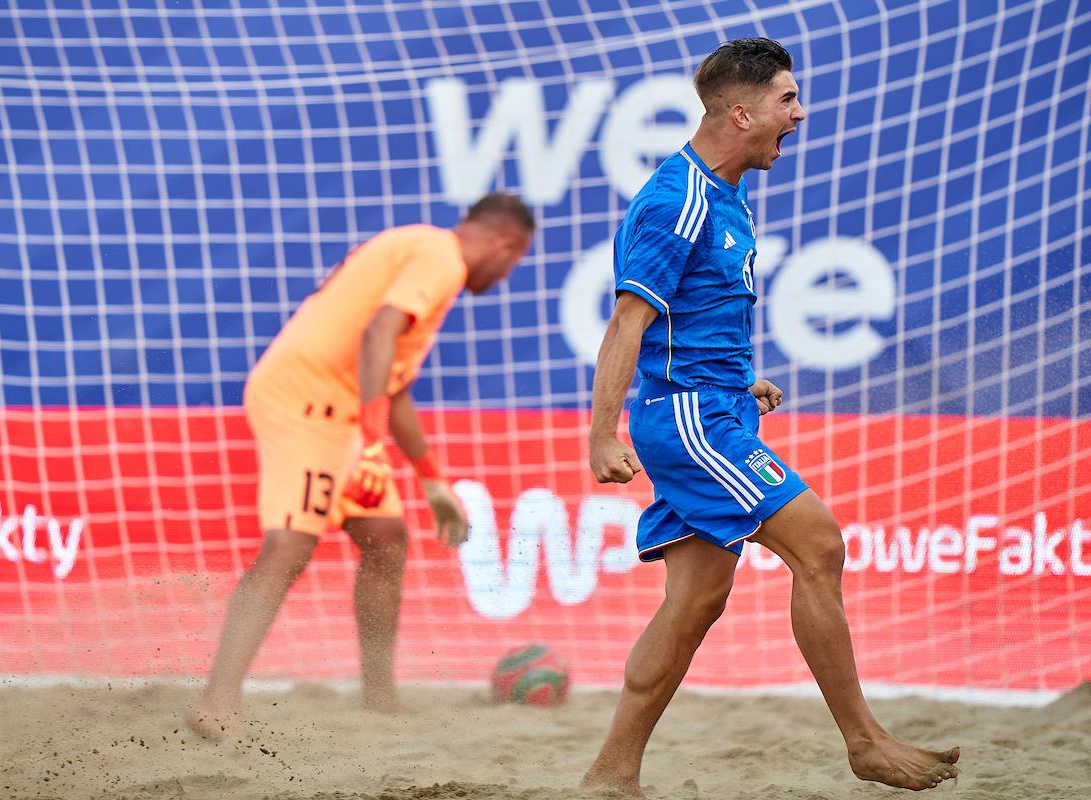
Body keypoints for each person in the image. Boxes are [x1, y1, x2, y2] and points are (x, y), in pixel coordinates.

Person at [580, 39, 960, 795]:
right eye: (788, 100)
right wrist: (601, 432)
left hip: (713, 406)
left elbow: (688, 318)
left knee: (695, 603)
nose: (800, 112)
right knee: (819, 546)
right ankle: (864, 741)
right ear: (741, 111)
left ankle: (610, 775)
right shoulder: (676, 196)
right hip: (690, 422)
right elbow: (627, 322)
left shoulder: (727, 196)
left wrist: (738, 379)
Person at [187, 193, 534, 736]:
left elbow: (392, 389)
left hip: (343, 413)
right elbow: (377, 334)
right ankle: (217, 702)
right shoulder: (439, 256)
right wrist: (372, 442)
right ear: (504, 243)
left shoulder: (417, 255)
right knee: (289, 546)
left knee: (385, 537)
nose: (506, 274)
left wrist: (432, 480)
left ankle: (377, 696)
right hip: (306, 404)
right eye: (515, 262)